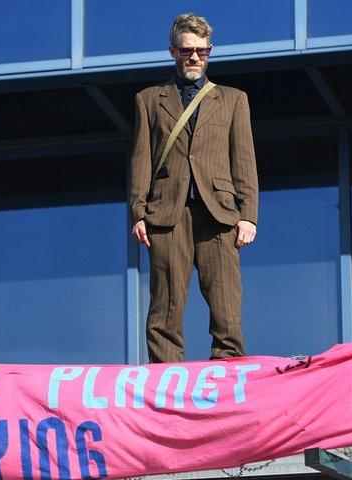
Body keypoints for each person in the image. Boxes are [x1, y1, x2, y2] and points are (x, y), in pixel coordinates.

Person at [129, 13, 259, 363]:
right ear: (173, 51)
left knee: (226, 303)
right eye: (188, 51)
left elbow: (244, 160)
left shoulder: (233, 99)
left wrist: (248, 216)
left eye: (203, 51)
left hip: (219, 212)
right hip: (166, 213)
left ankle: (229, 370)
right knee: (165, 306)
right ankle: (166, 377)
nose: (196, 58)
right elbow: (142, 159)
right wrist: (138, 211)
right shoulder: (149, 99)